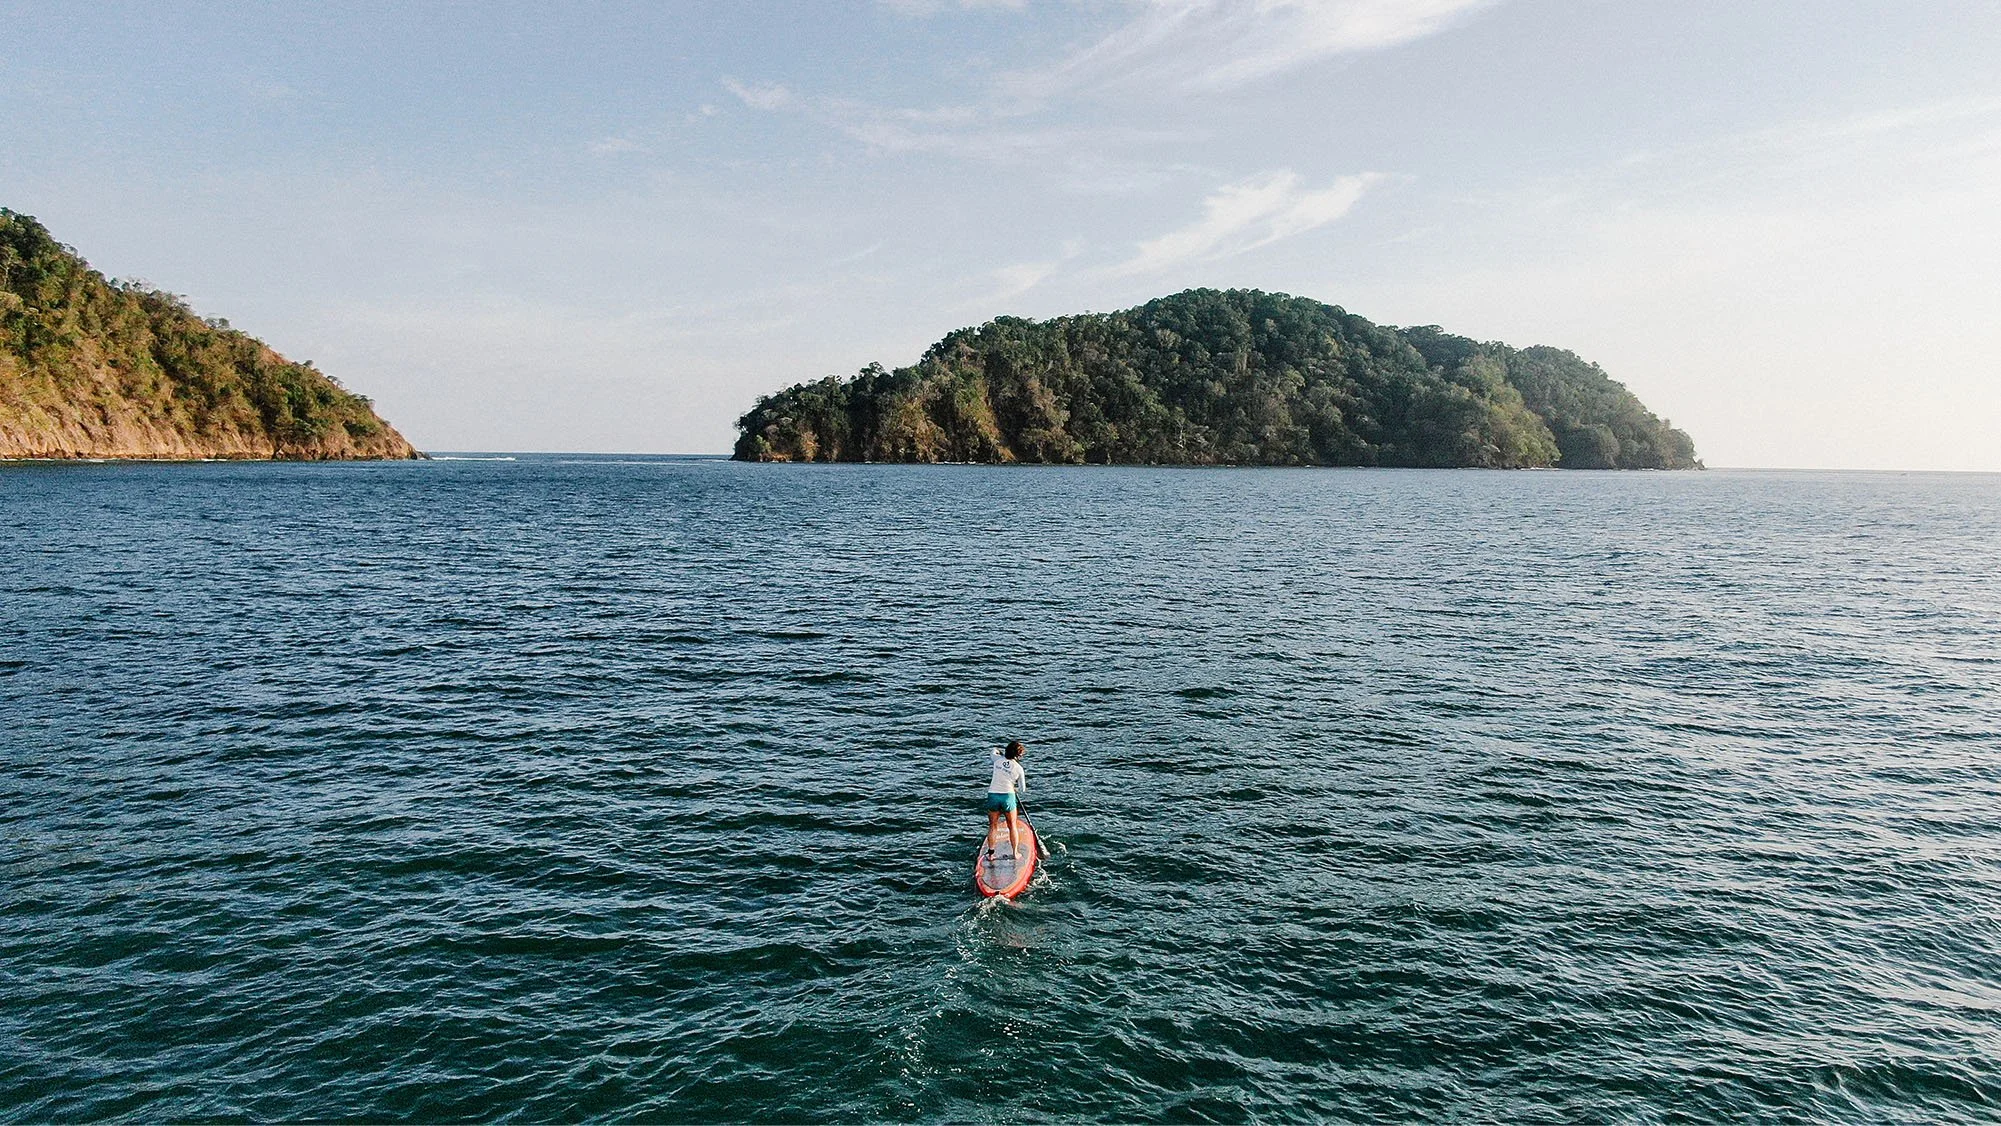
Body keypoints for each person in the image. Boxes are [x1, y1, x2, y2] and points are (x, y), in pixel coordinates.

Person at [984, 740, 1028, 859]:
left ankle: (991, 854)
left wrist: (998, 751)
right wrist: (1014, 788)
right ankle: (1015, 853)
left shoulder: (997, 759)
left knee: (993, 826)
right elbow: (1023, 789)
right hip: (1008, 796)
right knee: (1012, 826)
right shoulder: (1019, 768)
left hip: (993, 795)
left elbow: (993, 751)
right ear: (1018, 755)